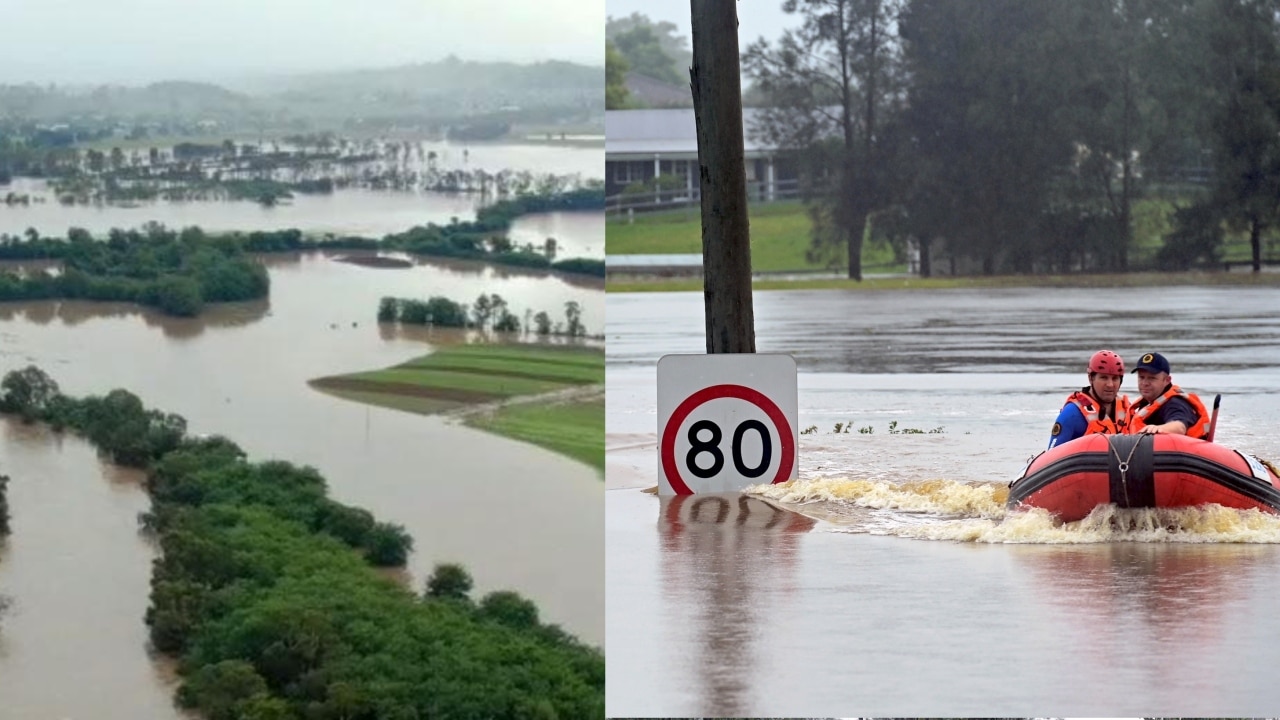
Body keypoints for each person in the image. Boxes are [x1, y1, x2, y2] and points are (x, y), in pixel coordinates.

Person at [1048, 349, 1131, 449]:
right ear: (1091, 378)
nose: (1110, 384)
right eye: (1103, 378)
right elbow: (1052, 454)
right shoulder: (1072, 413)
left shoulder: (1128, 410)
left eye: (1115, 378)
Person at [1127, 351, 1210, 437]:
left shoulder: (1175, 403)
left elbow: (1180, 426)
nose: (1145, 383)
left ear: (1167, 380)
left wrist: (1159, 429)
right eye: (1141, 377)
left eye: (1152, 378)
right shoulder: (1147, 403)